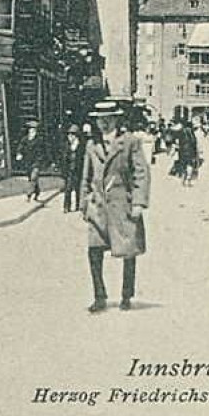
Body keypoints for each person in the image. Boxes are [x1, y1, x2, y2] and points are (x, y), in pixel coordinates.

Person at [80, 100, 150, 314]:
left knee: (128, 252)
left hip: (123, 205)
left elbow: (141, 173)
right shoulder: (92, 145)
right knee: (94, 251)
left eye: (108, 119)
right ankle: (99, 297)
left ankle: (126, 295)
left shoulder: (129, 142)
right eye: (100, 119)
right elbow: (86, 176)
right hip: (98, 207)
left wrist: (138, 202)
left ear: (116, 119)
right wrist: (84, 202)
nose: (103, 123)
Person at [16, 120, 43, 202]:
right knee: (31, 179)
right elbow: (20, 147)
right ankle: (37, 191)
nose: (32, 130)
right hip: (28, 162)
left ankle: (29, 194)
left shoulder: (39, 140)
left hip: (36, 161)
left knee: (33, 177)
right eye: (30, 129)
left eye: (34, 129)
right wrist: (19, 153)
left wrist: (41, 160)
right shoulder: (25, 139)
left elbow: (43, 150)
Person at [62, 125, 83, 213]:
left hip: (78, 170)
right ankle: (66, 206)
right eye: (69, 135)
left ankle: (78, 205)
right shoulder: (67, 146)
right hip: (69, 170)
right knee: (68, 188)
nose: (70, 137)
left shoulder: (81, 146)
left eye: (72, 135)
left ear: (76, 136)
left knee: (78, 188)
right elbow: (64, 159)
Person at [178, 120, 199, 186]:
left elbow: (179, 142)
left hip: (183, 150)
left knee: (184, 165)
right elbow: (194, 142)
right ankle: (188, 179)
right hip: (190, 150)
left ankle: (183, 180)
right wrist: (195, 152)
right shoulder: (191, 132)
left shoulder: (182, 131)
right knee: (190, 164)